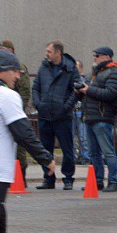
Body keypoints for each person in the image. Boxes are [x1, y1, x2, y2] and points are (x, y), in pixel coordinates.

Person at [0, 50, 56, 233]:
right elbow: (23, 131)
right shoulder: (5, 96)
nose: (18, 77)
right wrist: (45, 158)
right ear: (4, 70)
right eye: (16, 71)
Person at [75, 47, 117, 192]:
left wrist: (88, 90)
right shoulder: (94, 74)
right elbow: (88, 95)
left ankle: (113, 182)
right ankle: (97, 181)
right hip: (90, 116)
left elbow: (111, 93)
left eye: (97, 55)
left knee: (107, 151)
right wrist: (80, 92)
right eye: (94, 55)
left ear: (107, 57)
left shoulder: (113, 73)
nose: (94, 57)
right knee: (94, 153)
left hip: (102, 117)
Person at [30, 40, 77, 190]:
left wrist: (66, 107)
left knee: (67, 149)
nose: (46, 54)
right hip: (45, 115)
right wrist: (38, 104)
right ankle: (48, 178)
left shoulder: (70, 69)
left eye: (49, 51)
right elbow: (36, 87)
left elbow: (76, 91)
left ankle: (68, 178)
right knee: (45, 148)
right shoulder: (44, 67)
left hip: (62, 117)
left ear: (58, 53)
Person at [0, 40, 32, 187]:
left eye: (3, 49)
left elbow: (24, 91)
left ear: (11, 50)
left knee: (20, 147)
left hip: (14, 111)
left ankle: (20, 177)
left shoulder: (18, 67)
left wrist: (18, 109)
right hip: (0, 111)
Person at [72, 60, 90, 165]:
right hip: (71, 111)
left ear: (81, 69)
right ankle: (73, 157)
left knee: (83, 137)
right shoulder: (69, 81)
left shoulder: (84, 81)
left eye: (77, 67)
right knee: (71, 136)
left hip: (81, 111)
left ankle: (85, 157)